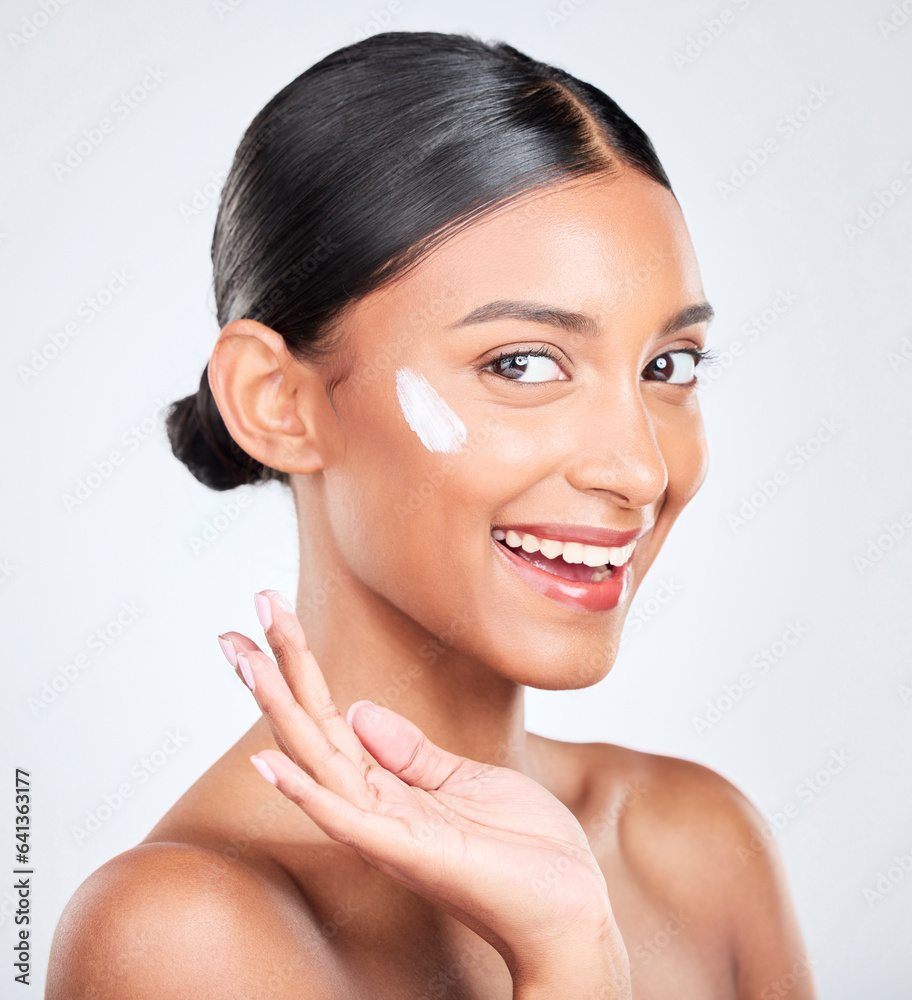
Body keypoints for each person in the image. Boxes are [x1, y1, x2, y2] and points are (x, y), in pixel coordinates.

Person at [45, 31, 815, 999]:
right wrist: (572, 965)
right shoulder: (181, 935)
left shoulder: (702, 843)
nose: (638, 467)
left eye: (669, 367)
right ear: (277, 402)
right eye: (523, 363)